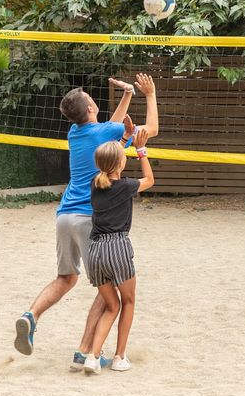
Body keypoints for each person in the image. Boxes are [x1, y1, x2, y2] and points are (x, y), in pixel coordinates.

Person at [14, 73, 159, 369]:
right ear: (91, 109)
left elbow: (108, 130)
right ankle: (84, 352)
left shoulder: (75, 133)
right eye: (93, 102)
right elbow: (151, 129)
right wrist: (149, 94)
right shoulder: (101, 134)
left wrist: (127, 95)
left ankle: (31, 315)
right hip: (88, 218)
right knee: (107, 291)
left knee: (65, 278)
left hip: (63, 216)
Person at [79, 127, 154, 374]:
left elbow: (111, 159)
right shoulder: (124, 186)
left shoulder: (95, 182)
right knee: (129, 301)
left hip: (95, 251)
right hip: (117, 246)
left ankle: (93, 356)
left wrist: (124, 140)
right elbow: (150, 181)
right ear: (120, 163)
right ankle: (119, 357)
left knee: (112, 306)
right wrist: (141, 150)